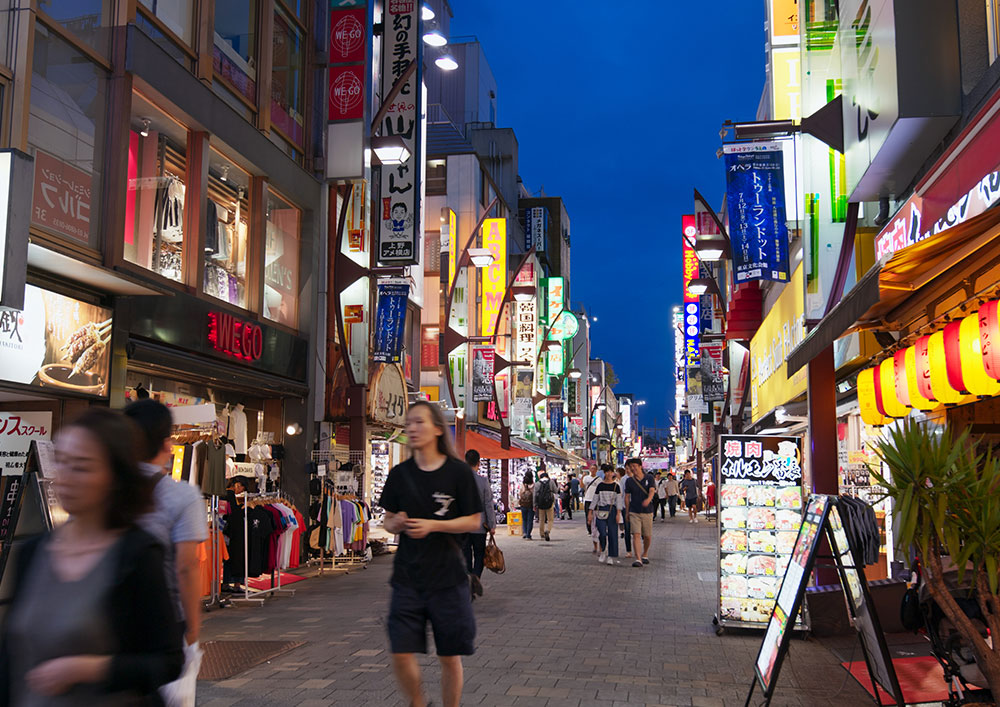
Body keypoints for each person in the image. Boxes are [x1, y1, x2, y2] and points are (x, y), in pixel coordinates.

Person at [0, 408, 184, 704]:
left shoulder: (136, 554)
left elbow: (167, 661)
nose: (66, 477)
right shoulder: (32, 552)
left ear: (114, 475)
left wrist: (88, 668)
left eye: (82, 466)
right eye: (62, 462)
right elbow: (10, 657)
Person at [379, 402, 484, 707]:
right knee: (400, 649)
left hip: (448, 578)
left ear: (438, 428)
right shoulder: (400, 474)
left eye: (419, 423)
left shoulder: (458, 473)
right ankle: (418, 702)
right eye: (409, 423)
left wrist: (434, 526)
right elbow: (387, 520)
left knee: (449, 656)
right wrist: (394, 522)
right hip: (407, 578)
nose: (412, 428)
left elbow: (474, 520)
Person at [124, 399, 209, 696]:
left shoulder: (104, 490)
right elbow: (185, 567)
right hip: (164, 620)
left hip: (109, 620)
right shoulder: (182, 496)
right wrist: (193, 632)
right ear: (166, 444)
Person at [462, 449, 496, 600]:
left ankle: (469, 580)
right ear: (478, 463)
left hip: (462, 525)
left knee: (466, 554)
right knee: (480, 553)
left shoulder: (458, 481)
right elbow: (488, 503)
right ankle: (475, 577)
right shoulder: (483, 481)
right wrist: (492, 524)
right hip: (479, 525)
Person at [623, 458, 657, 567]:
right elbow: (627, 497)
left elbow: (652, 490)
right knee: (636, 534)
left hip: (647, 511)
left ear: (640, 466)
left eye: (634, 466)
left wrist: (648, 499)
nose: (633, 468)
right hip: (634, 511)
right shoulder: (629, 481)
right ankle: (638, 559)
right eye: (630, 466)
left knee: (647, 536)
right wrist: (627, 512)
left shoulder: (649, 478)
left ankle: (645, 553)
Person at [589, 468, 623, 565]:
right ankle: (603, 550)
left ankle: (611, 556)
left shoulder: (616, 486)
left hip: (612, 511)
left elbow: (619, 501)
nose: (608, 474)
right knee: (602, 533)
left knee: (613, 534)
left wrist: (618, 514)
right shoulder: (600, 485)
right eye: (607, 472)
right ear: (604, 473)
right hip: (601, 511)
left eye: (610, 472)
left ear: (613, 473)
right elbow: (595, 499)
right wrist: (590, 512)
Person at [533, 470, 558, 541]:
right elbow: (556, 491)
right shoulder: (551, 482)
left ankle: (542, 534)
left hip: (540, 503)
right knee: (550, 519)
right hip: (549, 502)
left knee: (541, 519)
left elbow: (535, 495)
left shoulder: (537, 483)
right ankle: (547, 530)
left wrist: (534, 504)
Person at [518, 471, 535, 540]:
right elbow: (535, 495)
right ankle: (528, 535)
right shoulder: (533, 485)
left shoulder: (523, 485)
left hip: (523, 504)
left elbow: (520, 494)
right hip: (531, 504)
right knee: (530, 520)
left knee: (524, 519)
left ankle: (524, 532)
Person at [580, 466, 598, 533]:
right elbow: (581, 486)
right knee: (587, 515)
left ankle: (595, 528)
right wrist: (582, 477)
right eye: (592, 468)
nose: (593, 470)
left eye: (594, 469)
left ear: (596, 470)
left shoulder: (599, 479)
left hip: (595, 499)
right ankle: (589, 529)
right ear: (590, 469)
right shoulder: (586, 478)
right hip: (587, 499)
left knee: (595, 515)